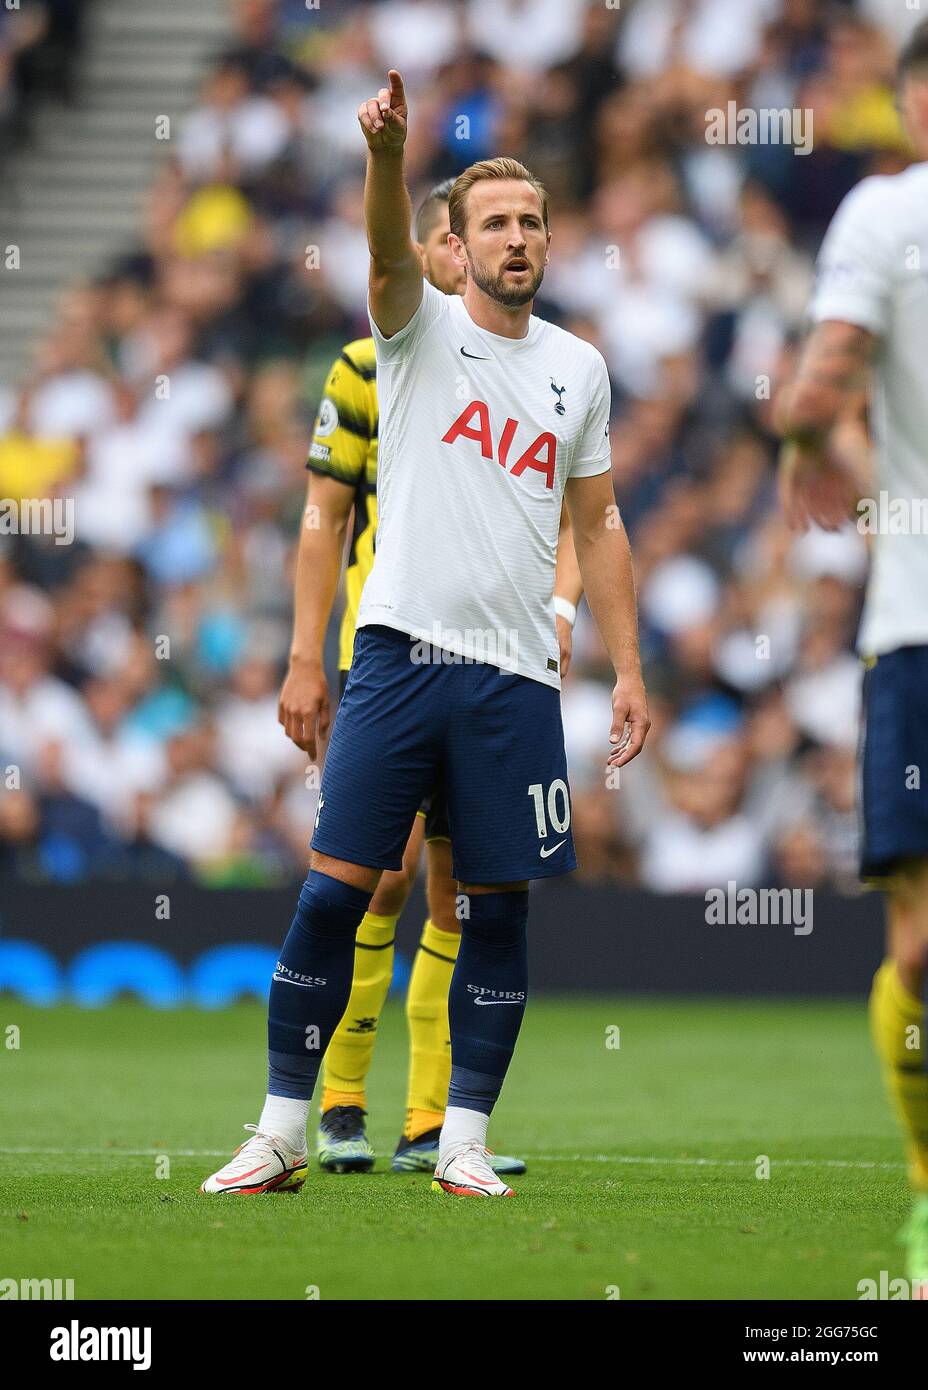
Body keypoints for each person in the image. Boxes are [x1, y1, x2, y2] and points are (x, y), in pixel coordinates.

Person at [201, 69, 648, 1200]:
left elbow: (597, 522)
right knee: (334, 891)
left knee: (495, 910)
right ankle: (283, 1129)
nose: (516, 236)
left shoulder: (578, 370)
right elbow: (384, 257)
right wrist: (387, 158)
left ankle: (459, 1138)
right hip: (399, 657)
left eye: (531, 219)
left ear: (548, 240)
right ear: (455, 243)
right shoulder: (411, 333)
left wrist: (630, 666)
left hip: (515, 680)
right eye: (494, 221)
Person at [279, 177, 583, 1176]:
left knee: (460, 893)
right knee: (381, 877)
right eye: (460, 241)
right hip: (390, 645)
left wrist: (562, 610)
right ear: (434, 253)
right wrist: (303, 656)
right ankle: (339, 1100)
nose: (478, 255)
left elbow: (572, 515)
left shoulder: (541, 372)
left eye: (516, 226)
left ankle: (430, 1119)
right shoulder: (376, 363)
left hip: (493, 659)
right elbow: (324, 518)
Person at [776, 20, 928, 1292]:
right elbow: (821, 391)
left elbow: (814, 399)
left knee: (922, 947)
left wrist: (803, 452)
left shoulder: (884, 219)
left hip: (912, 612)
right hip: (913, 620)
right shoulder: (888, 219)